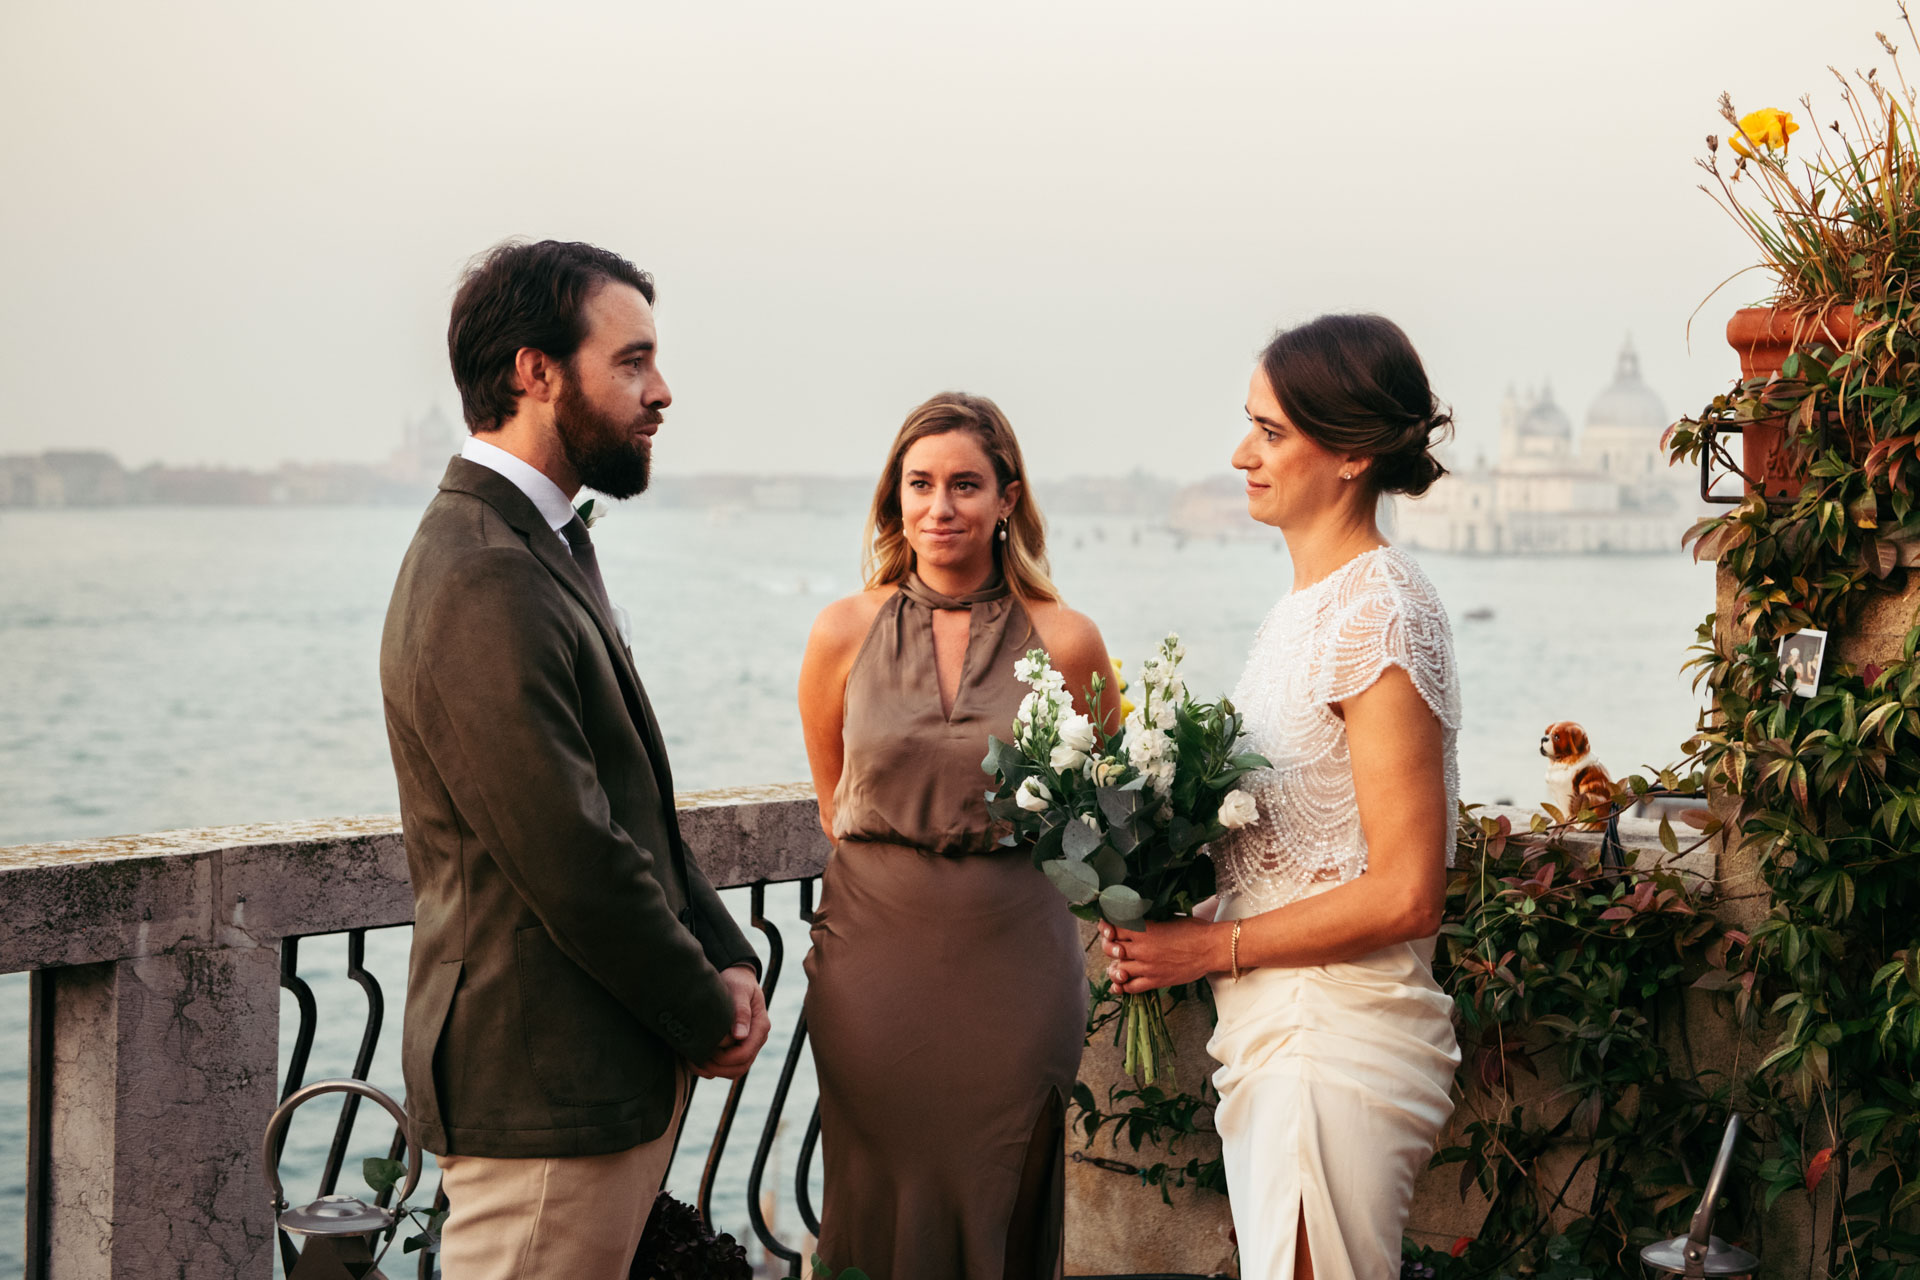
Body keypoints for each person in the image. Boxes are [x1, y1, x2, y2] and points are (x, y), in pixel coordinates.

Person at [380, 239, 771, 1279]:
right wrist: (703, 1010)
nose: (663, 391)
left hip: (590, 1079)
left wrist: (729, 952)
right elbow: (572, 853)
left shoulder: (540, 546)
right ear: (535, 371)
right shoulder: (482, 572)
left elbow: (634, 805)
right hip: (545, 1095)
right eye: (632, 361)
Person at [1099, 314, 1464, 1280]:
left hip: (1332, 1035)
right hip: (1276, 1024)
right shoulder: (1299, 614)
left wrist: (1207, 947)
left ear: (1349, 454)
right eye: (1249, 427)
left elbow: (1406, 892)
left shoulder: (1380, 610)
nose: (1241, 454)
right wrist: (1176, 909)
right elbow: (1311, 847)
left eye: (1270, 432)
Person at [797, 392, 1117, 1280]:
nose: (941, 507)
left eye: (966, 485)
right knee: (872, 1206)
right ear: (894, 497)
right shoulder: (840, 633)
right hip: (873, 970)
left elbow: (1102, 814)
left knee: (1004, 1194)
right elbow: (838, 799)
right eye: (921, 484)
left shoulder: (1069, 639)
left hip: (1016, 969)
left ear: (1007, 498)